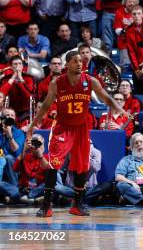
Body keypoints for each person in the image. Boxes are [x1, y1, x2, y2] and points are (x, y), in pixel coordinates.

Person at [27, 50, 130, 217]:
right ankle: (46, 205)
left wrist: (120, 109)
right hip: (62, 127)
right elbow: (46, 105)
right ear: (67, 64)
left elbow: (106, 98)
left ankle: (77, 203)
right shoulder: (57, 82)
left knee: (82, 166)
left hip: (81, 129)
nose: (80, 63)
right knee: (53, 165)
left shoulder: (90, 81)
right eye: (75, 61)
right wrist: (34, 124)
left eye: (81, 61)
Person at [0, 133, 49, 204]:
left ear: (44, 145)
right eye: (34, 143)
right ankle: (29, 199)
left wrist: (40, 156)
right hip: (23, 189)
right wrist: (24, 150)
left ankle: (20, 198)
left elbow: (50, 175)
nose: (37, 146)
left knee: (49, 184)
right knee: (1, 184)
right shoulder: (25, 156)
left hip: (37, 190)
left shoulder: (47, 157)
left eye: (39, 144)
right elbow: (15, 169)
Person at [0, 56, 36, 123]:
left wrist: (20, 79)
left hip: (26, 111)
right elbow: (1, 94)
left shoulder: (29, 78)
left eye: (20, 64)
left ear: (23, 66)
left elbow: (28, 96)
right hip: (9, 110)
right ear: (11, 66)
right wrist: (12, 79)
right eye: (15, 64)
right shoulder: (5, 79)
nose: (17, 66)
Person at [0, 107, 25, 185]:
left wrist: (9, 136)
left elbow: (17, 152)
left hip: (12, 162)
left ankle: (14, 188)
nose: (10, 117)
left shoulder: (19, 133)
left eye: (12, 115)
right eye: (7, 115)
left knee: (8, 158)